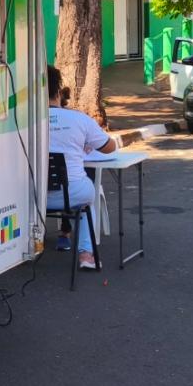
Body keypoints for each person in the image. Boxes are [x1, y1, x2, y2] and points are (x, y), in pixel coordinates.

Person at [46, 65, 118, 270]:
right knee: (87, 198)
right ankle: (86, 255)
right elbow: (109, 148)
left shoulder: (23, 121)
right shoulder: (79, 119)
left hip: (31, 196)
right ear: (59, 92)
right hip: (72, 194)